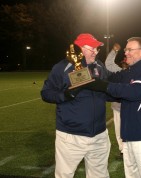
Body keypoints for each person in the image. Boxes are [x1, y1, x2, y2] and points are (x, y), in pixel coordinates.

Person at [83, 37, 141, 178]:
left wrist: (103, 86)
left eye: (130, 49)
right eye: (126, 49)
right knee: (132, 175)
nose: (126, 52)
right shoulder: (129, 72)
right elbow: (109, 78)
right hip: (129, 136)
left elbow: (132, 92)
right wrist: (91, 64)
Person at [41, 33, 112, 178]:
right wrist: (65, 95)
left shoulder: (99, 65)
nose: (95, 52)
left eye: (97, 49)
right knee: (64, 175)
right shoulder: (62, 67)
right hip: (71, 136)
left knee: (100, 175)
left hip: (99, 134)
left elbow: (105, 91)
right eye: (91, 48)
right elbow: (46, 93)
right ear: (79, 49)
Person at [105, 43, 123, 158]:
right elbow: (109, 63)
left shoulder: (139, 73)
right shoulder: (119, 71)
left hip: (134, 107)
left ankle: (132, 149)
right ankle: (123, 150)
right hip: (118, 107)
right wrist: (114, 51)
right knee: (119, 130)